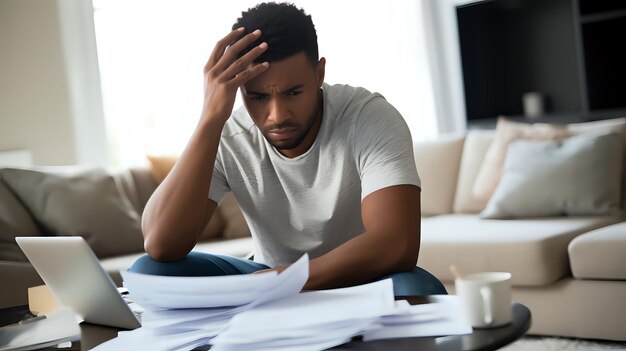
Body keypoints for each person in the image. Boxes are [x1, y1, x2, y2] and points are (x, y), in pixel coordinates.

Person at [131, 2, 446, 296]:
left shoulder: (368, 117)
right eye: (258, 97)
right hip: (267, 276)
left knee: (416, 288)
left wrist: (286, 281)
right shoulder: (227, 133)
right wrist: (210, 118)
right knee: (149, 271)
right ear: (238, 89)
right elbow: (160, 244)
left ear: (319, 74)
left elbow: (396, 243)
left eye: (293, 92)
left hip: (359, 279)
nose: (278, 115)